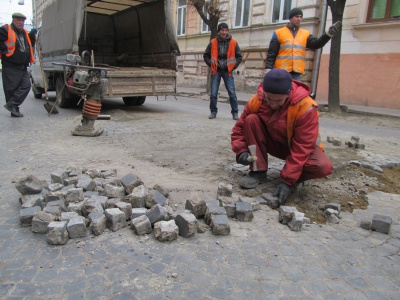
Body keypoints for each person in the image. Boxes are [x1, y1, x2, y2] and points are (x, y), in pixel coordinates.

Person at [231, 69, 333, 206]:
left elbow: (302, 147)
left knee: (322, 166)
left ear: (288, 93)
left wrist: (288, 181)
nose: (272, 104)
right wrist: (241, 150)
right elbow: (239, 128)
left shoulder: (305, 107)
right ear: (264, 93)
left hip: (298, 148)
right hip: (274, 143)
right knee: (251, 120)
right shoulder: (258, 100)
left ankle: (296, 177)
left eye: (278, 100)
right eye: (269, 99)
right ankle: (258, 171)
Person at [265, 7, 342, 81]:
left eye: (301, 17)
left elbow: (317, 44)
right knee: (281, 93)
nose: (299, 19)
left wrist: (328, 34)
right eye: (296, 16)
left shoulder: (305, 34)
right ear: (290, 18)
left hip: (296, 73)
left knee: (297, 94)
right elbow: (272, 52)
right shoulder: (279, 33)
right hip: (281, 72)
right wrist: (268, 69)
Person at [203, 23, 242, 120]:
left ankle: (235, 113)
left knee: (232, 93)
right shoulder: (213, 42)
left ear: (227, 31)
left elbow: (239, 56)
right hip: (216, 70)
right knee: (213, 93)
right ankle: (213, 112)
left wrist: (233, 66)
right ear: (219, 31)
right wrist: (211, 65)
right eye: (222, 30)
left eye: (226, 30)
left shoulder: (233, 42)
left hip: (227, 71)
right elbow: (206, 55)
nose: (224, 32)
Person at [0, 12, 36, 117]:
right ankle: (14, 109)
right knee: (12, 89)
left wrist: (32, 36)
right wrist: (5, 51)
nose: (21, 23)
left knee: (26, 85)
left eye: (23, 21)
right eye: (18, 20)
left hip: (22, 66)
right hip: (10, 64)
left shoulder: (24, 33)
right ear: (13, 20)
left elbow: (28, 47)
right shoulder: (6, 29)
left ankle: (12, 105)